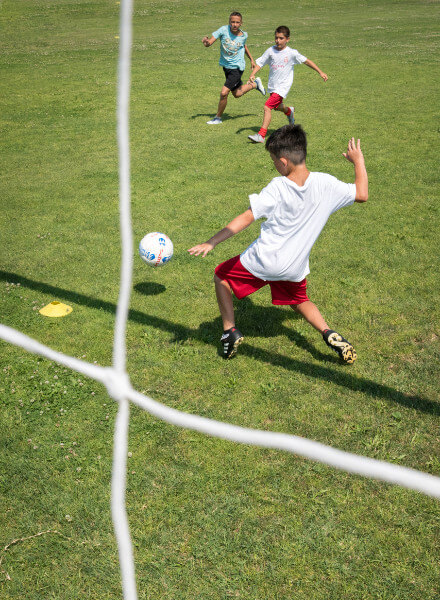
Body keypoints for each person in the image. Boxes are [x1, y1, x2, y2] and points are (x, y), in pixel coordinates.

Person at [188, 124, 368, 361]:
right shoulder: (326, 184)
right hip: (294, 265)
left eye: (273, 160)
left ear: (283, 162)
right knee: (299, 301)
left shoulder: (278, 187)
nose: (273, 164)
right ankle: (329, 333)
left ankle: (229, 331)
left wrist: (212, 242)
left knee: (221, 276)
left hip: (265, 260)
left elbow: (247, 216)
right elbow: (361, 194)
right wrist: (358, 161)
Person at [247, 26, 328, 143]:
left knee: (267, 107)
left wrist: (320, 72)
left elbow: (307, 61)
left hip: (283, 87)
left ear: (287, 39)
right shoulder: (270, 51)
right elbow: (260, 63)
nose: (278, 41)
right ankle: (289, 111)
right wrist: (253, 74)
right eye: (276, 38)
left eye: (281, 38)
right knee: (276, 107)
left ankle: (261, 135)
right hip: (273, 86)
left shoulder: (291, 53)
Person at [202, 12, 266, 125]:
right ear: (229, 22)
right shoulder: (223, 30)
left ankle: (217, 118)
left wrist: (251, 59)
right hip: (226, 67)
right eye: (232, 22)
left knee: (224, 93)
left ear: (241, 23)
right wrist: (206, 43)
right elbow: (210, 42)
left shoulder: (243, 35)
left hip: (237, 67)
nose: (235, 24)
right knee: (236, 94)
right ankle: (255, 84)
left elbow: (244, 46)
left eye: (237, 22)